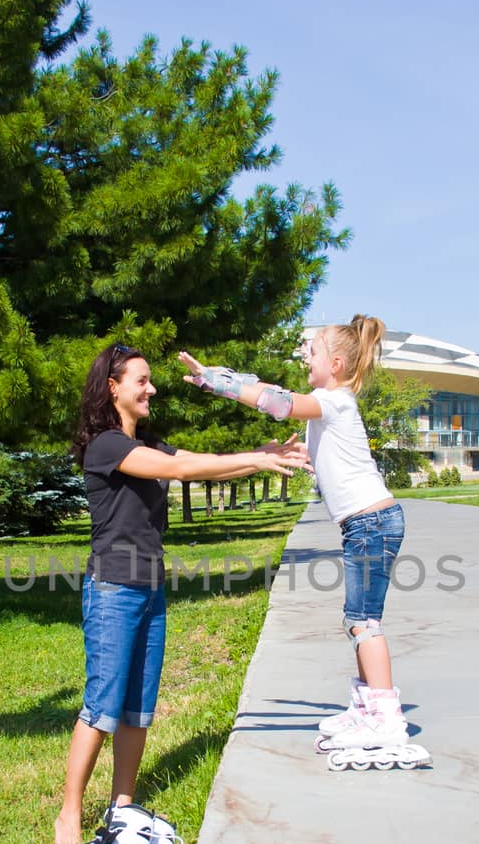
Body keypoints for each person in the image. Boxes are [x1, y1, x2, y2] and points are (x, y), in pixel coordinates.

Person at [53, 341, 311, 844]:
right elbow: (182, 472)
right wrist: (258, 458)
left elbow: (194, 460)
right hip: (113, 589)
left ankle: (121, 805)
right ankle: (69, 808)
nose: (151, 388)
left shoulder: (144, 440)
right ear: (113, 388)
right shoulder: (106, 445)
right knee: (103, 704)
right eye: (141, 380)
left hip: (150, 586)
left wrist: (263, 460)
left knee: (138, 707)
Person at [180, 316, 431, 765]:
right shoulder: (331, 404)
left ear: (335, 363)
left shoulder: (331, 400)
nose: (305, 358)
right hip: (367, 524)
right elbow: (299, 417)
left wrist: (217, 382)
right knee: (356, 619)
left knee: (364, 622)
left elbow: (278, 401)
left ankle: (386, 716)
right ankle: (366, 707)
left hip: (371, 524)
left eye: (311, 352)